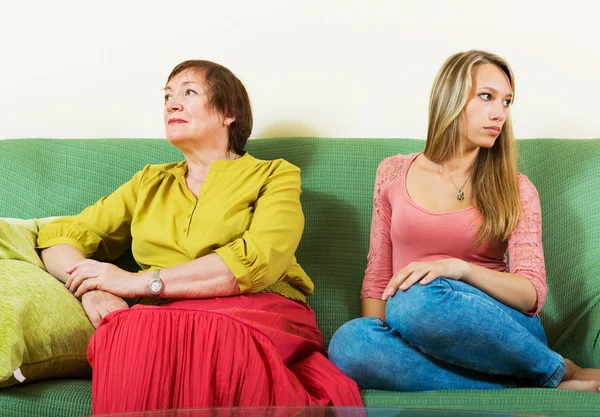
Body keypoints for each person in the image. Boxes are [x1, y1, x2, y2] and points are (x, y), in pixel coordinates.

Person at [37, 60, 361, 413]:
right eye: (167, 96)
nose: (172, 104)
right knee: (126, 330)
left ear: (229, 112)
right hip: (160, 322)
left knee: (165, 331)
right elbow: (58, 237)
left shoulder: (274, 175)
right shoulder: (148, 182)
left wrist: (138, 283)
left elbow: (257, 259)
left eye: (188, 92)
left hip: (257, 307)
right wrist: (93, 288)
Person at [328, 50, 600, 393]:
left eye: (507, 101)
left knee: (415, 298)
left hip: (500, 332)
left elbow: (531, 295)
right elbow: (378, 278)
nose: (499, 113)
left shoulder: (517, 188)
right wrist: (381, 339)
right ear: (451, 97)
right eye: (486, 96)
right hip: (414, 328)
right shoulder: (392, 173)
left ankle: (556, 369)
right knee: (349, 342)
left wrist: (459, 268)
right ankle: (529, 390)